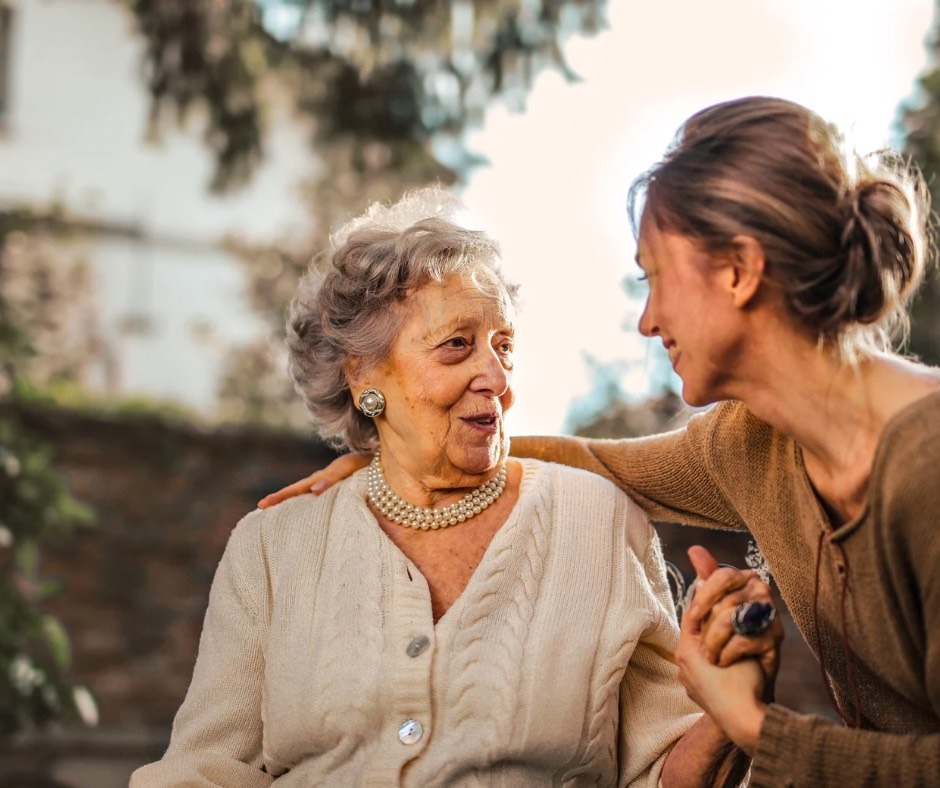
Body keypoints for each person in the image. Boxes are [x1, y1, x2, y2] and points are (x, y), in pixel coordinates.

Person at [262, 97, 940, 786]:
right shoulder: (751, 445)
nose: (648, 321)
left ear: (738, 270)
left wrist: (754, 728)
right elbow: (595, 461)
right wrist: (403, 445)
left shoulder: (927, 465)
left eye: (655, 277)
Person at [132, 189, 756, 786]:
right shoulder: (272, 548)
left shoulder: (599, 522)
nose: (495, 376)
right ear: (363, 376)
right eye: (457, 346)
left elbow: (663, 771)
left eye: (503, 346)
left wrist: (730, 716)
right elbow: (205, 769)